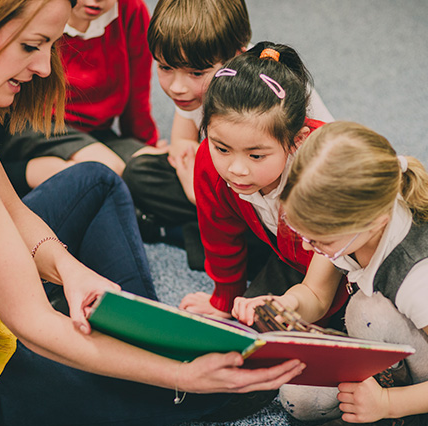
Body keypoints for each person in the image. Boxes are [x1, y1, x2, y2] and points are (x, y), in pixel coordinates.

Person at [0, 1, 308, 425]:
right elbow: (32, 325)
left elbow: (12, 211)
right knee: (219, 388)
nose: (45, 67)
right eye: (33, 45)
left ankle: (146, 334)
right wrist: (179, 375)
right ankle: (150, 360)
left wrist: (67, 268)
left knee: (98, 181)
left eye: (51, 44)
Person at [235, 121, 428, 425]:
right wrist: (287, 304)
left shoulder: (418, 277)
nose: (311, 249)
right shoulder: (349, 222)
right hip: (400, 343)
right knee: (299, 399)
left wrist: (390, 404)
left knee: (368, 312)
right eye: (305, 235)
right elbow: (315, 293)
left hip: (407, 344)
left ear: (375, 223)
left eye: (320, 240)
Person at [122, 0, 334, 268]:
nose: (177, 87)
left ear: (235, 59)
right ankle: (214, 234)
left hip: (284, 203)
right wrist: (189, 170)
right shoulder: (196, 92)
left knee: (289, 256)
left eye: (196, 72)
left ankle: (204, 239)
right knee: (139, 173)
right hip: (234, 181)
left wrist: (201, 192)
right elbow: (184, 140)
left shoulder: (278, 95)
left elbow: (325, 181)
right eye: (165, 67)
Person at [179, 42, 348, 324]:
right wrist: (225, 298)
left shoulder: (327, 173)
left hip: (356, 271)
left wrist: (288, 307)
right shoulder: (208, 161)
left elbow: (318, 295)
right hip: (292, 260)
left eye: (256, 155)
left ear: (298, 140)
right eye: (222, 148)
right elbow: (219, 236)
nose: (236, 169)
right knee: (249, 321)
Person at [0, 0, 162, 198]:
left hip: (97, 132)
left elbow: (138, 93)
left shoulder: (132, 11)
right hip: (38, 124)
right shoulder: (45, 10)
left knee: (157, 167)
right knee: (108, 170)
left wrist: (146, 144)